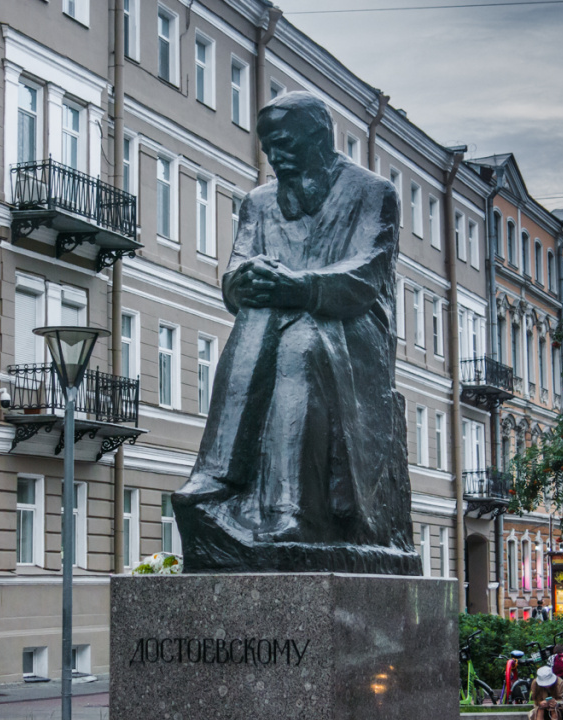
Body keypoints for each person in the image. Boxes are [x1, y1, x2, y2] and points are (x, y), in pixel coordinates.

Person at [172, 92, 418, 574]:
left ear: (319, 139)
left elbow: (366, 276)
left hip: (355, 331)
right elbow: (235, 270)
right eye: (267, 147)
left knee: (301, 342)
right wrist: (244, 281)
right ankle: (218, 477)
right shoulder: (259, 203)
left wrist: (301, 286)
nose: (275, 157)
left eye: (283, 144)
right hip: (275, 324)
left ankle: (292, 510)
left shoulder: (372, 192)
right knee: (258, 315)